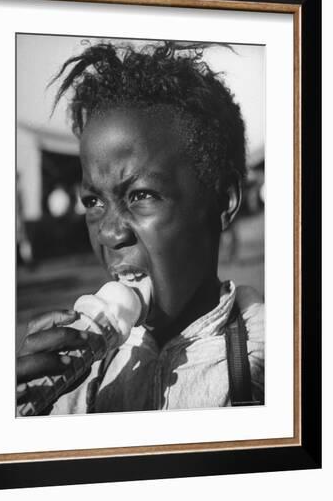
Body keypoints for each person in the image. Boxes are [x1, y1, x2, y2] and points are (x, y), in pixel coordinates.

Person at [16, 40, 264, 415]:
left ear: (223, 202)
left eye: (141, 195)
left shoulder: (276, 359)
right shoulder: (84, 376)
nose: (110, 233)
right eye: (94, 202)